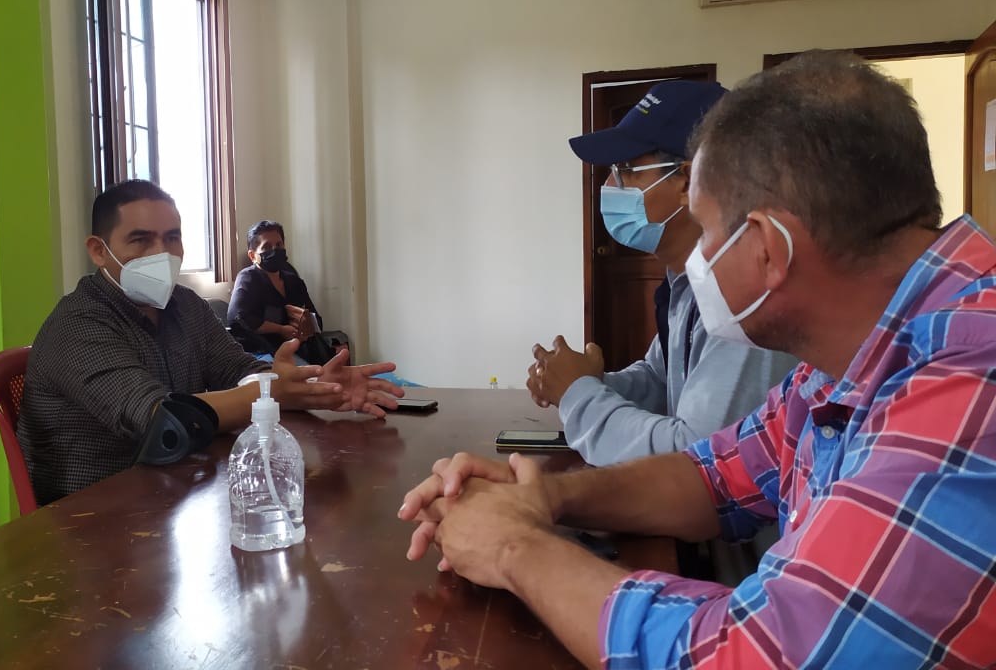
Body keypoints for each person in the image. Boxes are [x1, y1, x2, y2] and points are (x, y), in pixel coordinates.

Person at [399, 50, 996, 668]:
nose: (698, 260)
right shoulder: (843, 357)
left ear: (767, 248)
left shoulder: (968, 383)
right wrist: (543, 499)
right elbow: (714, 476)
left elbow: (754, 655)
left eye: (706, 232)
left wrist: (513, 549)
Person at [18, 180, 402, 505]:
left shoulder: (184, 304)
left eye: (172, 237)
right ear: (99, 251)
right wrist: (274, 393)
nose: (161, 253)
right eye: (140, 240)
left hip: (178, 492)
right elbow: (163, 421)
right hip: (93, 518)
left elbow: (239, 371)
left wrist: (314, 385)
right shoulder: (78, 324)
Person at [528, 80, 795, 466]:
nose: (609, 185)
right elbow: (662, 378)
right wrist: (587, 381)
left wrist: (578, 393)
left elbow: (697, 459)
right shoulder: (686, 282)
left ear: (687, 181)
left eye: (626, 169)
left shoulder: (745, 293)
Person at [228, 220, 331, 365]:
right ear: (252, 256)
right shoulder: (248, 278)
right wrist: (281, 329)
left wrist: (305, 330)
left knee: (327, 370)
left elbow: (316, 319)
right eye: (267, 247)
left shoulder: (294, 281)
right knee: (303, 373)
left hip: (298, 348)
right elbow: (237, 318)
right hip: (262, 351)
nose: (275, 250)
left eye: (279, 245)